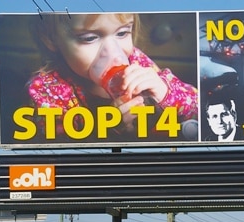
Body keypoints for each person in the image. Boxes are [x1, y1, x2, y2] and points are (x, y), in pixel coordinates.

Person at [28, 13, 198, 138]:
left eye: (122, 33)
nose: (115, 55)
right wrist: (107, 129)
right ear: (51, 39)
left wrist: (165, 92)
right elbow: (60, 154)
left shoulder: (136, 60)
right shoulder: (45, 90)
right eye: (89, 38)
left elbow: (197, 106)